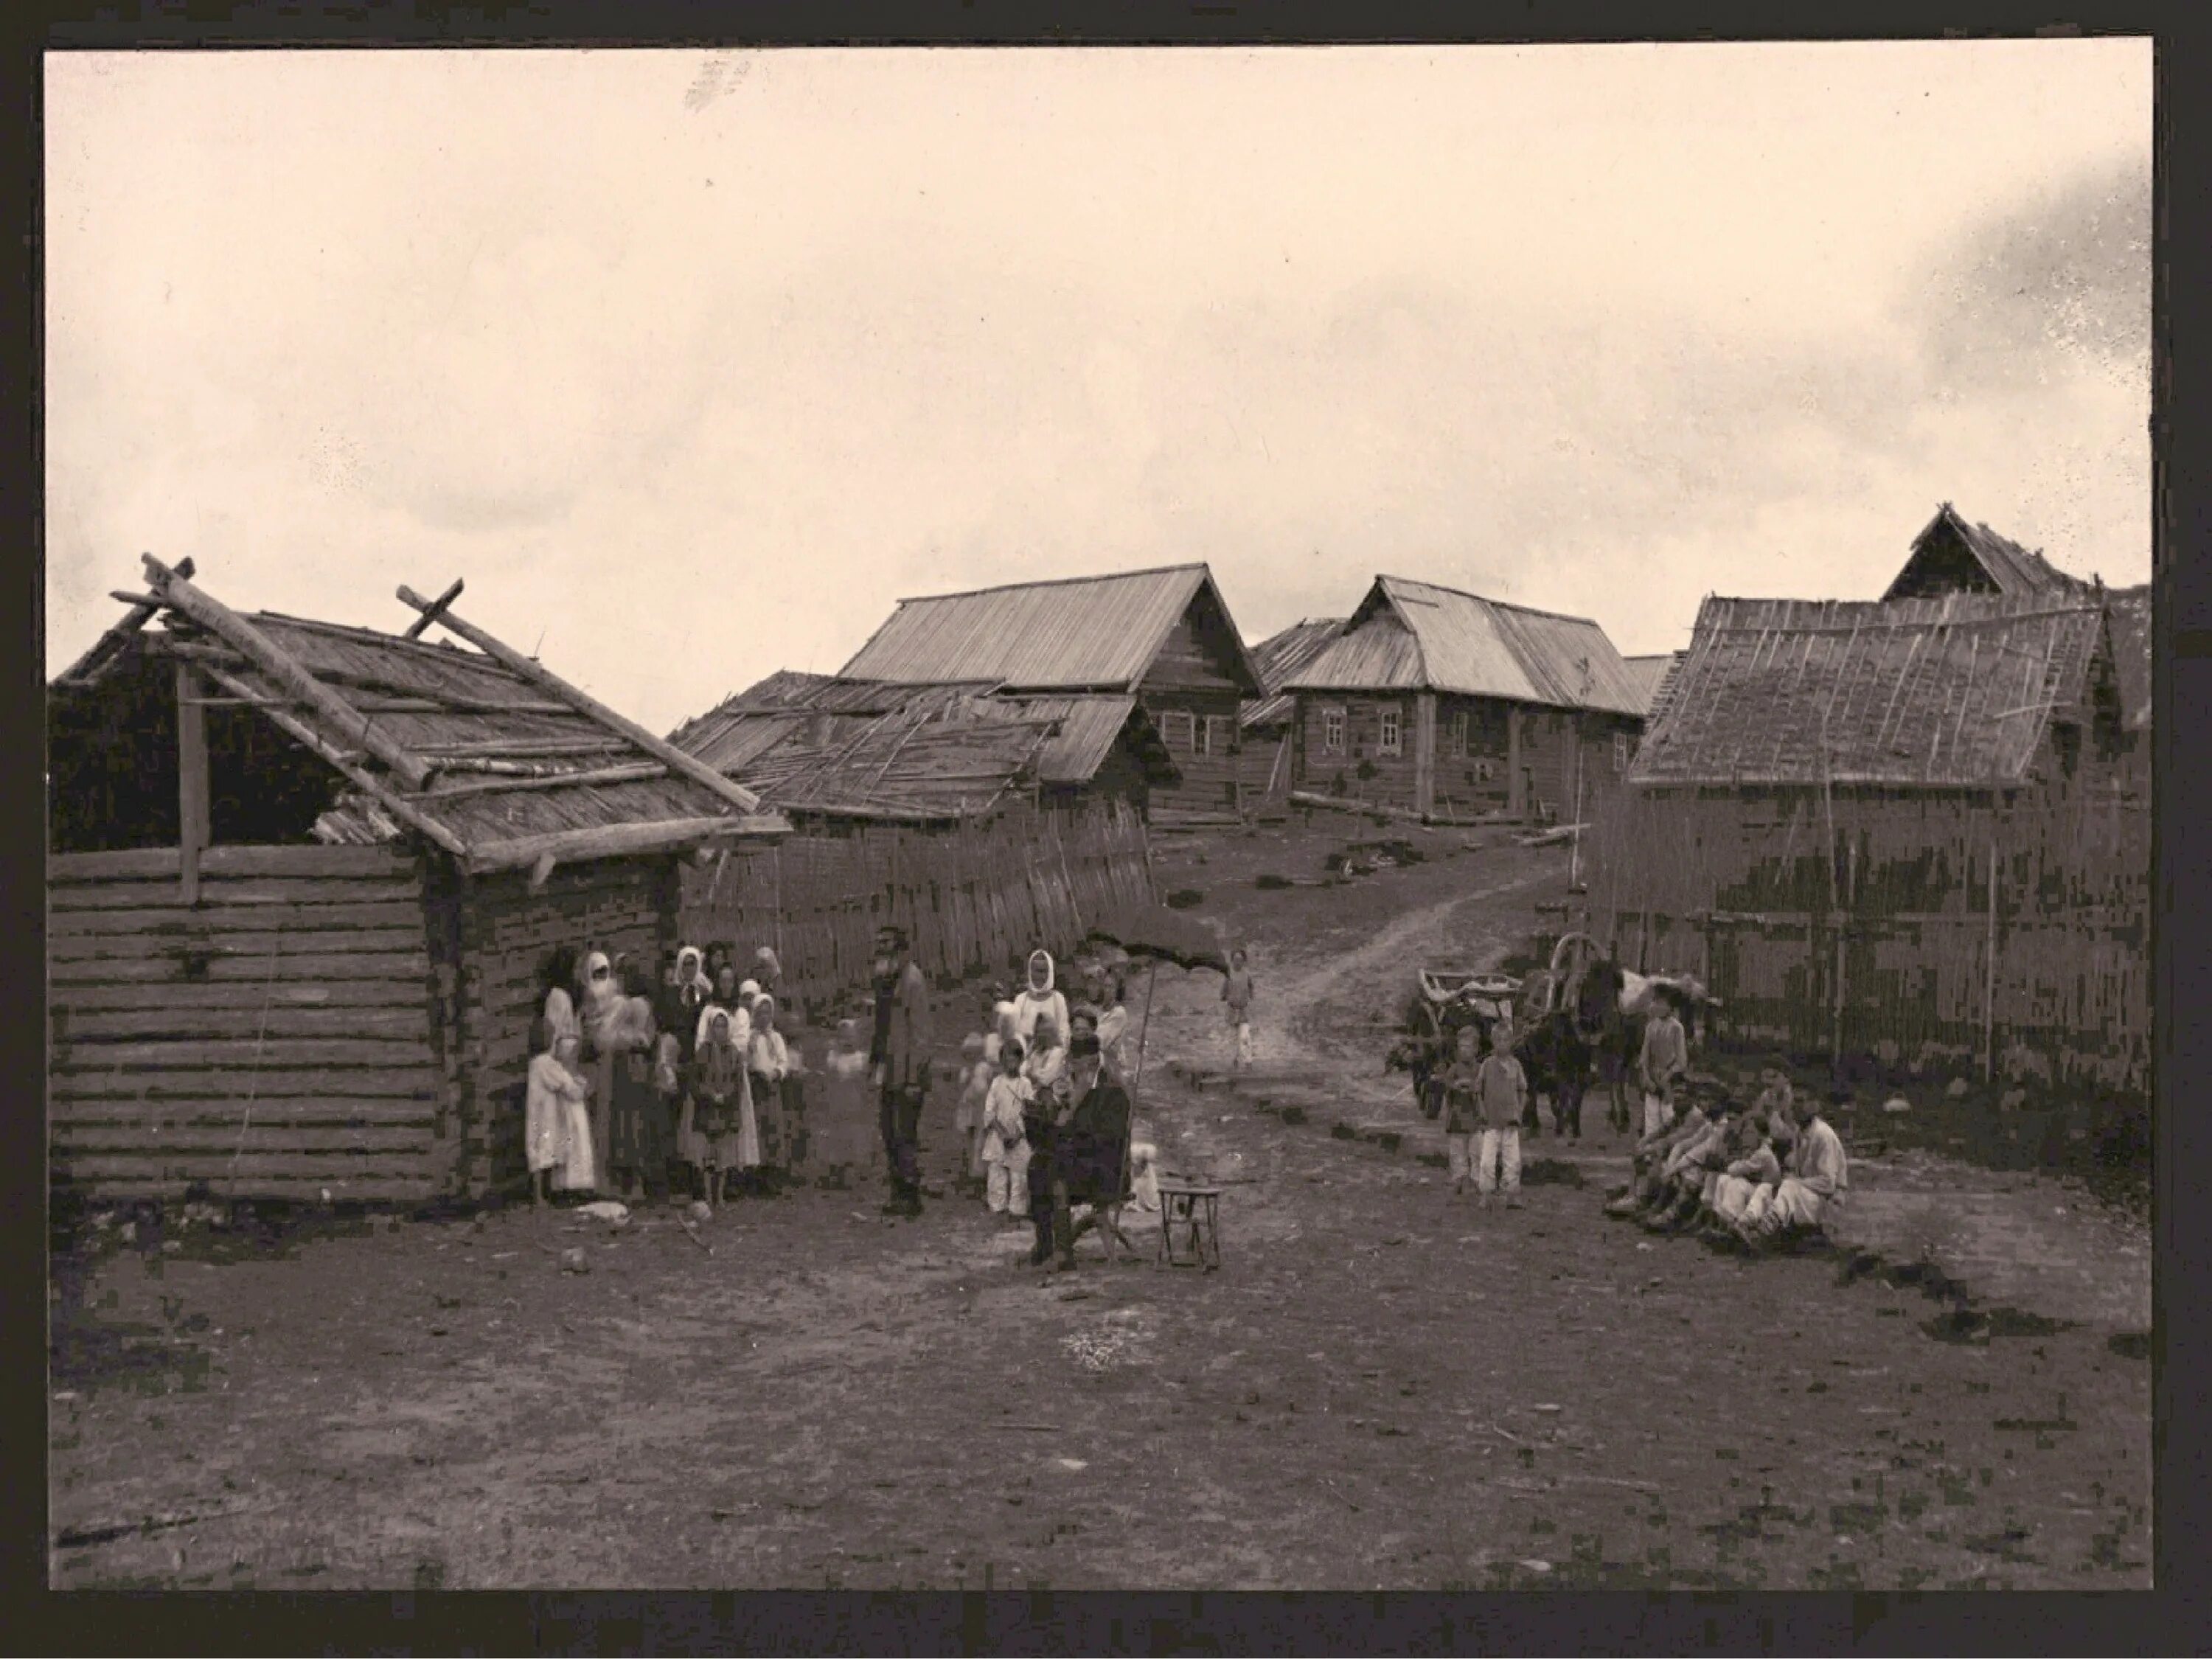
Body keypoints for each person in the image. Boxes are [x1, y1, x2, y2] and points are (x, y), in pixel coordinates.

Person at [1030, 1026, 1133, 1272]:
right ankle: (1046, 1246)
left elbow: (1108, 1141)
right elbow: (1063, 1130)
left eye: (1074, 1063)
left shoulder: (1111, 1090)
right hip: (1080, 1162)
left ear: (1091, 1062)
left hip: (1107, 1169)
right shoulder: (1074, 1087)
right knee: (1037, 1166)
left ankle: (1064, 1252)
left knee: (1058, 1169)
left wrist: (1074, 1107)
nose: (1070, 1067)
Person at [869, 925, 932, 1217]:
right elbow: (882, 1029)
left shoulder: (912, 981)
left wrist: (913, 1079)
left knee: (904, 1134)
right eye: (879, 945)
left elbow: (920, 1035)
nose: (882, 951)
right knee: (888, 1133)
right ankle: (897, 1193)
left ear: (902, 951)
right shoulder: (885, 982)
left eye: (888, 946)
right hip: (889, 1072)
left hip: (907, 1075)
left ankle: (910, 1197)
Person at [1739, 1094, 1849, 1248]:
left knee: (1789, 1186)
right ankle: (1745, 1223)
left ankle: (1764, 1231)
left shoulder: (1823, 1135)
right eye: (1794, 1102)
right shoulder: (1800, 1132)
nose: (1796, 1107)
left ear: (1814, 1107)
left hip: (1827, 1202)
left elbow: (1828, 1183)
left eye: (1801, 1101)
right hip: (1807, 1196)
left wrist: (1795, 1182)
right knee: (1766, 1187)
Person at [604, 992, 669, 1203]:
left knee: (642, 1136)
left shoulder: (648, 1037)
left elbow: (655, 1060)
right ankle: (629, 1184)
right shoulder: (623, 1040)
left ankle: (644, 1184)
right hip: (627, 1097)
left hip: (643, 1095)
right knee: (628, 1136)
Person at [687, 1008, 747, 1210]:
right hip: (706, 1109)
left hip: (726, 1110)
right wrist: (710, 1094)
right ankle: (707, 1195)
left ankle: (720, 1196)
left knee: (724, 1156)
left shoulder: (734, 1053)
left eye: (723, 1026)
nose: (720, 1030)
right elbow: (695, 1081)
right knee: (706, 1155)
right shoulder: (703, 1051)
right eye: (716, 1026)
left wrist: (726, 1096)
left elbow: (737, 1082)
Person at [525, 1017, 583, 1208]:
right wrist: (578, 1088)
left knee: (538, 1149)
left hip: (537, 1111)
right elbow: (563, 1082)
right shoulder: (546, 1063)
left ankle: (544, 1193)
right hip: (546, 1114)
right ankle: (541, 1195)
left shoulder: (534, 1063)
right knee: (545, 1149)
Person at [1473, 1016, 1528, 1208]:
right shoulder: (1487, 1065)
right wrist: (1482, 1111)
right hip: (1491, 1122)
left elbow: (1523, 1090)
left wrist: (1519, 1111)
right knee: (1487, 1162)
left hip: (1511, 1122)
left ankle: (1512, 1195)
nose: (1502, 1044)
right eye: (1498, 1040)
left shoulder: (1516, 1065)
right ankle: (1486, 1194)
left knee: (1513, 1161)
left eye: (1506, 1040)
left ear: (1511, 1042)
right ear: (1493, 1042)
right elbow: (1478, 1091)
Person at [817, 1018, 872, 1190]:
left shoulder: (862, 1059)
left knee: (853, 1137)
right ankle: (835, 1171)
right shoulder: (834, 1057)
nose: (847, 1042)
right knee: (835, 1138)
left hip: (854, 1104)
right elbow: (829, 1078)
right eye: (844, 1038)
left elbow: (867, 1084)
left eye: (851, 1038)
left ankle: (851, 1172)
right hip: (836, 1103)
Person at [981, 1036, 1032, 1220]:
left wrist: (1017, 1134)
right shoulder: (997, 1083)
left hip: (1018, 1135)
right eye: (1006, 1059)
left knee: (1019, 1174)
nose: (1010, 1063)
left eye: (1014, 1059)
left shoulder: (1025, 1084)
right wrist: (1002, 1134)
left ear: (1020, 1061)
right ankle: (997, 1206)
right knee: (996, 1172)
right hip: (999, 1134)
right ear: (1001, 1061)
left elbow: (1029, 1111)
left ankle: (1017, 1209)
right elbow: (989, 1110)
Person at [748, 995, 792, 1189]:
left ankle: (774, 1174)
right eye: (760, 1013)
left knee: (773, 1127)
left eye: (767, 1013)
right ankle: (758, 1174)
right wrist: (756, 1072)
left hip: (772, 1085)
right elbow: (747, 1061)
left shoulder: (776, 1038)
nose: (764, 1017)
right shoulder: (751, 1038)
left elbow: (783, 1061)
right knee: (759, 1127)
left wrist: (776, 1073)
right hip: (756, 1085)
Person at [1637, 987, 1689, 1138]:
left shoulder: (1676, 1028)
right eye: (1656, 1003)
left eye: (1662, 1004)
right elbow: (1644, 1057)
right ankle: (1650, 1153)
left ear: (1671, 1007)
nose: (1658, 1007)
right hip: (1653, 1077)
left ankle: (1668, 1152)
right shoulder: (1651, 1027)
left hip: (1671, 1080)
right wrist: (1647, 1077)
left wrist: (1667, 1076)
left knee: (1668, 1116)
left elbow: (1682, 1061)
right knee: (1651, 1118)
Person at [1439, 1024, 1483, 1197]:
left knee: (1476, 1151)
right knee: (1458, 1151)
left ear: (1476, 1049)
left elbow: (1482, 1088)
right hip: (1457, 1118)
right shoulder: (1454, 1070)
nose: (1465, 1051)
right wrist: (1454, 1086)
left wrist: (1474, 1088)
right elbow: (1447, 1087)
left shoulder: (1479, 1069)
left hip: (1475, 1119)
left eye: (1468, 1047)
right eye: (1461, 1047)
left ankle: (1476, 1180)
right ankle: (1459, 1179)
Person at [954, 1032, 992, 1192]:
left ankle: (979, 1172)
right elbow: (962, 1086)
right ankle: (969, 1167)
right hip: (968, 1107)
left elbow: (981, 1089)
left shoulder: (982, 1069)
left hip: (980, 1108)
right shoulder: (967, 1069)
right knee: (968, 1137)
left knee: (979, 1139)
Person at [1012, 950, 1069, 1051]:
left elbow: (1064, 1032)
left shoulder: (1058, 999)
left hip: (1051, 1055)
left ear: (1050, 973)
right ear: (1030, 972)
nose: (1039, 976)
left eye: (1044, 971)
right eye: (1036, 971)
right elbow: (1014, 1031)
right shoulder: (1020, 1000)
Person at [540, 946, 581, 1050]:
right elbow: (553, 1031)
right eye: (576, 968)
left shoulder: (571, 993)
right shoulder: (557, 997)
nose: (578, 973)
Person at [1096, 975, 1134, 1085]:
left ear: (1117, 991)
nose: (1107, 990)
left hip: (1111, 1065)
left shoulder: (1119, 1013)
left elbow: (1101, 1041)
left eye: (1111, 987)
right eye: (1105, 986)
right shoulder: (1098, 1011)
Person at [1222, 949, 1256, 1071]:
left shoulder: (1247, 975)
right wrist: (1225, 996)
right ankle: (1235, 1059)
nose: (1238, 962)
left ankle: (1248, 1062)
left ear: (1244, 961)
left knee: (1245, 1036)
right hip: (1232, 1010)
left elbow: (1251, 986)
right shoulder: (1228, 974)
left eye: (1241, 960)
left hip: (1243, 1010)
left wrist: (1251, 997)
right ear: (1232, 961)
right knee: (1233, 1037)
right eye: (1236, 960)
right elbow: (1223, 990)